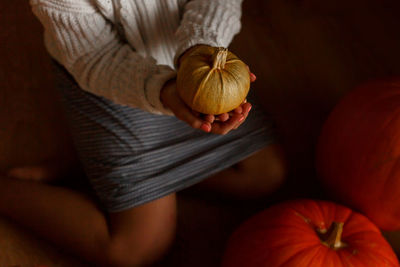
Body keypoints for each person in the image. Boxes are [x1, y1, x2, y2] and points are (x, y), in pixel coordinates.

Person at [0, 0, 287, 266]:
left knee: (265, 175)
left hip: (201, 61)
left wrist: (199, 52)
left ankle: (99, 167)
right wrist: (166, 90)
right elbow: (96, 59)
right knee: (135, 249)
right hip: (110, 80)